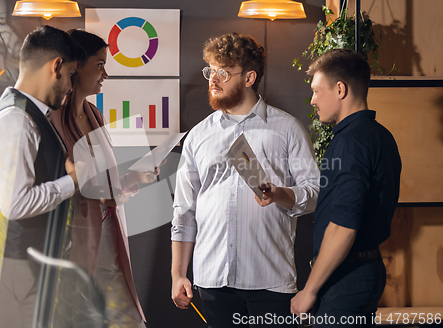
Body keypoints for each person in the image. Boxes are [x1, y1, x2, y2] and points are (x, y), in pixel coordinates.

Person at [171, 32, 320, 328]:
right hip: (211, 280)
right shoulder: (198, 136)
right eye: (210, 71)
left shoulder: (288, 129)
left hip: (270, 279)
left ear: (249, 78)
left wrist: (279, 194)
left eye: (223, 72)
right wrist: (178, 274)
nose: (213, 79)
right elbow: (184, 211)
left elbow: (314, 194)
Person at [50, 29, 158, 327]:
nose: (105, 74)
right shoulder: (52, 121)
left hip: (109, 243)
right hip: (75, 250)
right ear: (76, 67)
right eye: (99, 65)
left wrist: (136, 177)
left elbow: (106, 185)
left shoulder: (95, 115)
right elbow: (64, 188)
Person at [0, 25, 85, 328]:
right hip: (15, 268)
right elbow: (15, 205)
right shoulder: (16, 120)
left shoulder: (29, 114)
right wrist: (71, 183)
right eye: (71, 76)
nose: (70, 86)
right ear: (57, 66)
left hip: (25, 266)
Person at [290, 49, 402, 327]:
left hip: (347, 276)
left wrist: (309, 291)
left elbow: (343, 225)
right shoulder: (381, 136)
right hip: (364, 271)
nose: (313, 100)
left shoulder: (351, 142)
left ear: (340, 89)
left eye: (317, 91)